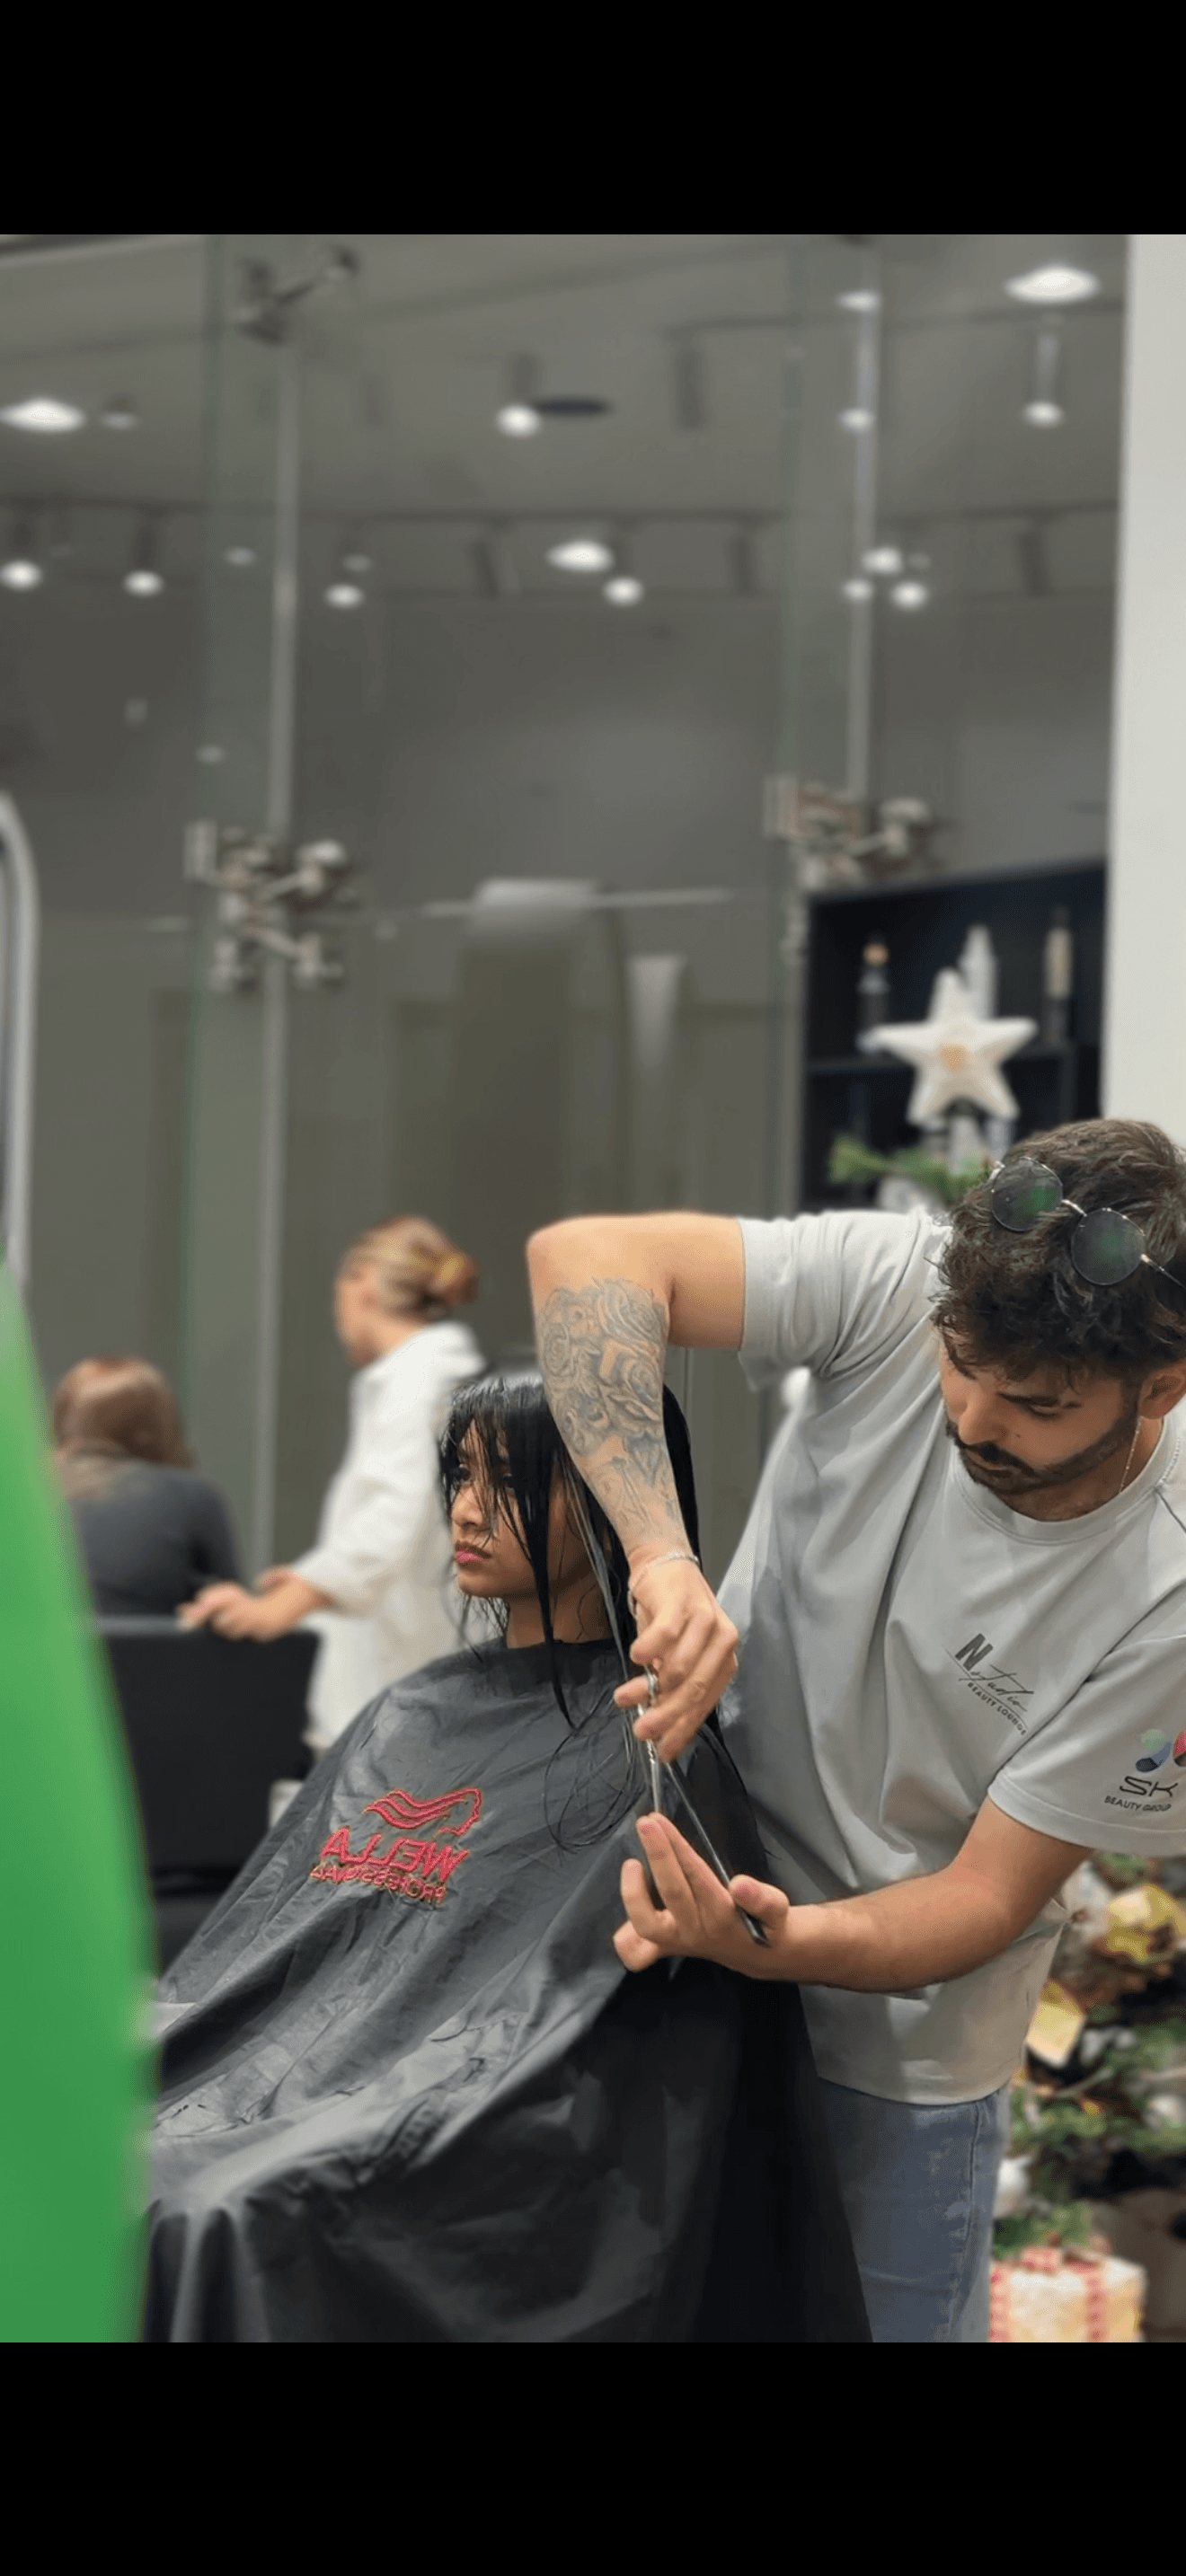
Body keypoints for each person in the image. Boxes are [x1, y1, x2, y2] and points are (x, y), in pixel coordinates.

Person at [527, 1117, 1186, 2342]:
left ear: (1163, 1385)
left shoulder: (1171, 1587)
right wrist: (660, 1553)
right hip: (681, 1978)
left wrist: (779, 1942)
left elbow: (985, 1896)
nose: (971, 1420)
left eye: (1034, 1403)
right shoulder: (898, 1282)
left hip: (900, 2066)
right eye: (960, 1365)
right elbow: (587, 1259)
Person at [145, 1369, 868, 2343]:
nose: (468, 1509)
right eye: (462, 1474)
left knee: (211, 2212)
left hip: (473, 2119)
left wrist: (352, 2107)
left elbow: (591, 2046)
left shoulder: (655, 1746)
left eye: (513, 1480)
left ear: (617, 1497)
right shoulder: (411, 1711)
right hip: (303, 2083)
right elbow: (269, 1953)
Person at [181, 1217, 482, 1756]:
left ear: (362, 1282)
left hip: (403, 1697)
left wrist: (282, 1606)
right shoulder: (422, 1378)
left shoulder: (419, 1382)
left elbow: (391, 1518)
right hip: (407, 1686)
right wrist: (304, 1583)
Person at [54, 1355, 238, 1616]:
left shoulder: (27, 1496)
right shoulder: (192, 1498)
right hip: (145, 1642)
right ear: (160, 1425)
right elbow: (232, 1610)